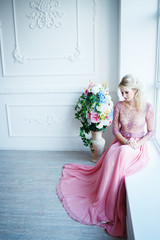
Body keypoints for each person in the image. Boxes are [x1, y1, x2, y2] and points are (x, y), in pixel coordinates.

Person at [56, 74, 154, 238]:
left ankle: (110, 202)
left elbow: (151, 132)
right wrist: (125, 141)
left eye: (126, 92)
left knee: (122, 154)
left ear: (135, 91)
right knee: (112, 155)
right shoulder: (119, 106)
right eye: (121, 92)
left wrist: (136, 144)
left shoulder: (147, 107)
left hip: (138, 146)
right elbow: (115, 130)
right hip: (122, 142)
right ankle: (102, 196)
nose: (123, 96)